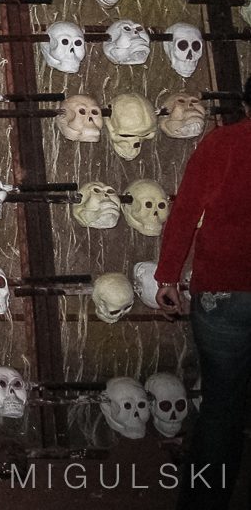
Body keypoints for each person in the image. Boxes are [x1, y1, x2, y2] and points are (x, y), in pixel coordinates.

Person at [156, 75, 251, 510]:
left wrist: (167, 276)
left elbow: (186, 211)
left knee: (221, 407)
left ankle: (203, 503)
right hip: (225, 294)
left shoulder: (220, 146)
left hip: (222, 296)